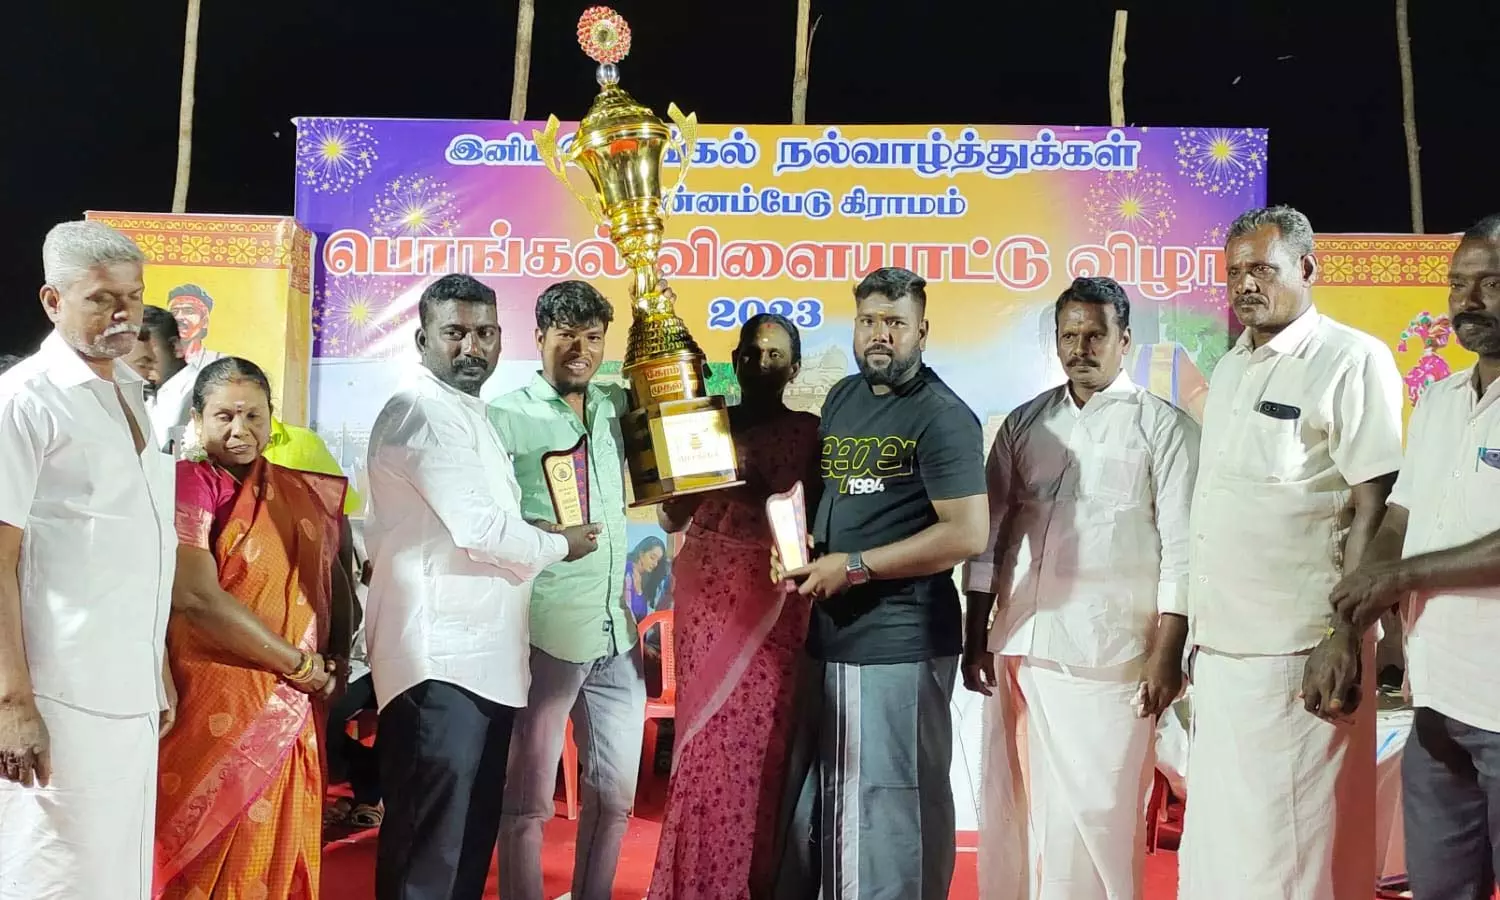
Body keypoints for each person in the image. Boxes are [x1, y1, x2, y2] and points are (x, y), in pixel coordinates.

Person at [1179, 206, 1404, 900]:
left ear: (1306, 268)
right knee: (1228, 856)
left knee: (1298, 860)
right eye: (1234, 272)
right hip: (1224, 651)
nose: (1245, 284)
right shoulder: (1232, 367)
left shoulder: (1351, 359)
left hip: (1302, 650)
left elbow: (1376, 506)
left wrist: (1345, 635)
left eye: (1262, 269)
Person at [963, 276, 1199, 899]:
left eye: (1095, 335)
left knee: (1100, 819)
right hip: (1023, 645)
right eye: (1069, 336)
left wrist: (1168, 653)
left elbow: (1184, 550)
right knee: (1023, 812)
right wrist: (975, 633)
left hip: (1114, 657)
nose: (1080, 348)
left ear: (1125, 340)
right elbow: (989, 536)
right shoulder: (1025, 424)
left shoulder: (1162, 427)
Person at [365, 273, 599, 900]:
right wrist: (560, 544)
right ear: (422, 340)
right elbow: (482, 531)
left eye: (486, 332)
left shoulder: (468, 413)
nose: (473, 347)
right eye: (455, 333)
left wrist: (533, 531)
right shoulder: (422, 411)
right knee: (430, 852)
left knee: (466, 845)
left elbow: (483, 521)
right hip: (438, 663)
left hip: (482, 661)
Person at [770, 267, 989, 900]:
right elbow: (838, 501)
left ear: (922, 330)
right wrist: (801, 549)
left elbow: (966, 533)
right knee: (838, 802)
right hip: (834, 634)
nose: (880, 335)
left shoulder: (944, 416)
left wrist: (856, 565)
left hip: (900, 638)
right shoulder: (843, 397)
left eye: (895, 323)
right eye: (868, 321)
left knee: (892, 805)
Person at [0, 221, 175, 899]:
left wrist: (156, 667)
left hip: (128, 689)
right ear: (53, 301)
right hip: (58, 693)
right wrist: (12, 701)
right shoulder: (26, 399)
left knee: (115, 875)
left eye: (133, 296)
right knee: (53, 874)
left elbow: (137, 548)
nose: (123, 314)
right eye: (101, 299)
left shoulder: (131, 392)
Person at [1327, 214, 1500, 900]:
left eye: (1491, 284)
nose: (1469, 301)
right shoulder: (1439, 400)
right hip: (1437, 701)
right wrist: (1353, 617)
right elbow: (1399, 517)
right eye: (1459, 284)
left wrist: (1403, 576)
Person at [153, 356, 350, 899]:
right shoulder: (191, 483)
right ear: (198, 420)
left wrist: (336, 660)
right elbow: (195, 596)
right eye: (224, 417)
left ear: (270, 416)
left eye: (252, 416)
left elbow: (336, 576)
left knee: (277, 846)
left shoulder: (301, 491)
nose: (240, 430)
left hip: (294, 697)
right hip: (216, 692)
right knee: (207, 847)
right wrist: (302, 666)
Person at [649, 314, 822, 899]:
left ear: (794, 368)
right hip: (707, 596)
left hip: (775, 600)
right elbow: (670, 516)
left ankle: (752, 885)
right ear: (735, 360)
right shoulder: (706, 421)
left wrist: (756, 483)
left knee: (759, 746)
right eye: (751, 353)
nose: (762, 364)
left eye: (775, 355)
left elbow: (816, 518)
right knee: (704, 743)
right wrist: (695, 468)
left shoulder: (809, 432)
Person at [492, 280, 643, 900]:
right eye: (566, 335)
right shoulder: (506, 416)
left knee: (616, 797)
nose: (580, 349)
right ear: (539, 338)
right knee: (528, 801)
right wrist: (540, 532)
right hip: (547, 629)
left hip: (617, 633)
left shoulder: (616, 406)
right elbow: (488, 518)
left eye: (592, 337)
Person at [138, 305, 194, 453]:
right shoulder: (144, 398)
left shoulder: (203, 392)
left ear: (176, 347)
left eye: (148, 349)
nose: (143, 358)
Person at [626, 536, 669, 618]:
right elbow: (634, 612)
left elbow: (642, 613)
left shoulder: (645, 578)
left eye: (658, 561)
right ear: (641, 554)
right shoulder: (628, 573)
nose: (655, 564)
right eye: (652, 558)